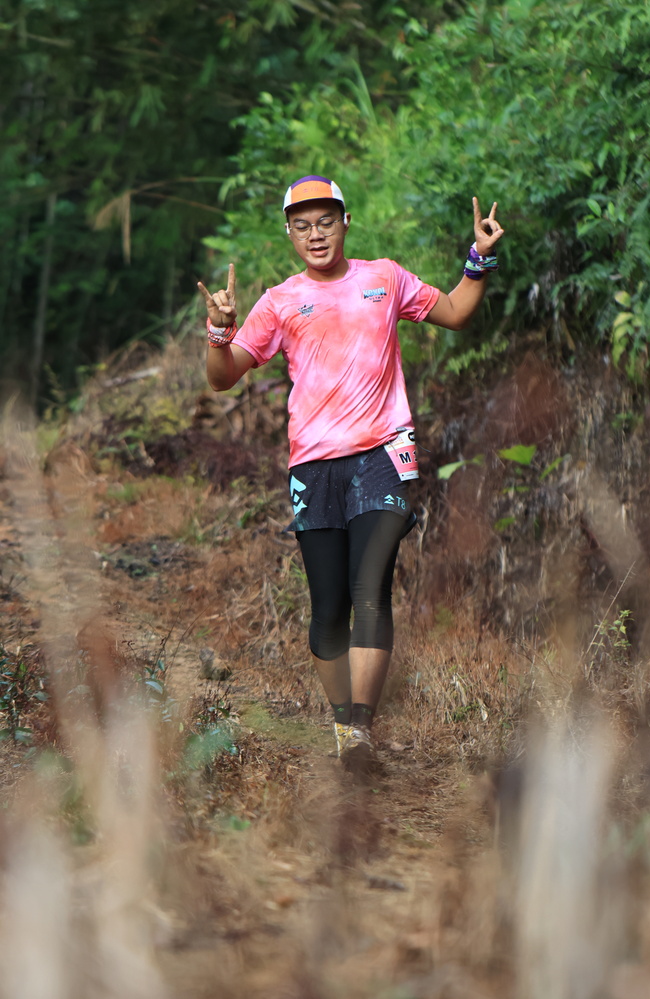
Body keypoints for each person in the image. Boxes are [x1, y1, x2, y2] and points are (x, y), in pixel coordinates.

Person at [198, 175, 504, 771]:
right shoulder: (280, 301)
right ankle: (343, 722)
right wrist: (218, 332)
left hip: (383, 456)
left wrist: (479, 259)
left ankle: (361, 730)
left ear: (345, 223)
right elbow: (222, 377)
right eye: (302, 226)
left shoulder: (384, 278)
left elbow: (455, 312)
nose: (315, 234)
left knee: (371, 589)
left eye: (325, 222)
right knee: (328, 611)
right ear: (290, 234)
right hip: (314, 468)